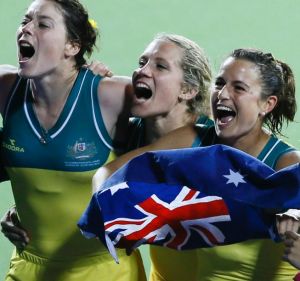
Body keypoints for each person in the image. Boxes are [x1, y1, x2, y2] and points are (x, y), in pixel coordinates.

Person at [93, 48, 300, 281]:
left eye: (239, 88)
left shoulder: (286, 161)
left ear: (267, 104)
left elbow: (294, 209)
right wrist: (113, 210)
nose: (222, 94)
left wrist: (293, 214)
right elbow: (112, 173)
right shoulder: (192, 138)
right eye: (220, 83)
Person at [0, 0, 146, 280]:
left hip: (104, 269)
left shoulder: (110, 94)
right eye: (25, 20)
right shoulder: (6, 88)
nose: (26, 29)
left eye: (43, 24)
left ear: (72, 47)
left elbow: (185, 114)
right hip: (29, 267)